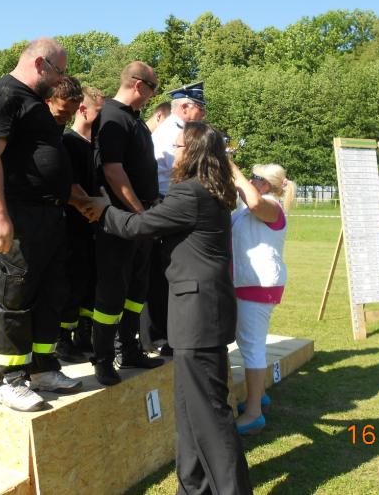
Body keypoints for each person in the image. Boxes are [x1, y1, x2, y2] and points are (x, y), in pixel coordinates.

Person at [83, 122, 253, 495]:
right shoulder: (208, 189)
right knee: (190, 410)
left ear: (192, 152)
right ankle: (193, 487)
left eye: (177, 147)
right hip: (199, 311)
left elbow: (139, 226)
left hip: (198, 315)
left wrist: (104, 210)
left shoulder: (191, 192)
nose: (171, 153)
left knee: (210, 414)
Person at [0, 38, 83, 412]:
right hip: (18, 215)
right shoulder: (2, 94)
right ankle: (8, 378)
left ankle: (42, 368)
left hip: (49, 216)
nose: (62, 79)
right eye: (59, 71)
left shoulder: (35, 102)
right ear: (40, 64)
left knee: (50, 295)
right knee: (14, 296)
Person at [90, 61, 164, 385]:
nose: (152, 97)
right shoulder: (112, 118)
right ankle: (103, 359)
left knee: (137, 290)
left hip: (140, 220)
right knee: (111, 292)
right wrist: (139, 214)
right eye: (153, 90)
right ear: (138, 85)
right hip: (119, 222)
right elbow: (113, 171)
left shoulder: (134, 120)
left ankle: (130, 349)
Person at [230, 161, 296, 435]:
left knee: (252, 347)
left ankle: (254, 413)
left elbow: (255, 203)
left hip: (258, 286)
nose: (249, 180)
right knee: (249, 344)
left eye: (253, 177)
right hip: (248, 284)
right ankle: (260, 396)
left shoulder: (270, 205)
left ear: (265, 184)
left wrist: (232, 168)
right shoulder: (246, 209)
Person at [142, 82, 208, 355]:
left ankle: (161, 334)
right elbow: (178, 171)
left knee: (166, 272)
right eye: (200, 109)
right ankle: (155, 335)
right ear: (185, 106)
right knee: (161, 273)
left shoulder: (178, 130)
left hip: (171, 201)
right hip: (166, 202)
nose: (203, 115)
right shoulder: (172, 132)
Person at [57, 85, 105, 360]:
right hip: (74, 227)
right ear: (83, 110)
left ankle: (84, 336)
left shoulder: (97, 146)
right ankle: (63, 339)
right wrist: (94, 209)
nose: (102, 118)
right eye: (99, 112)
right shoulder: (69, 143)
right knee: (71, 283)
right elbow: (73, 186)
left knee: (90, 281)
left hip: (94, 228)